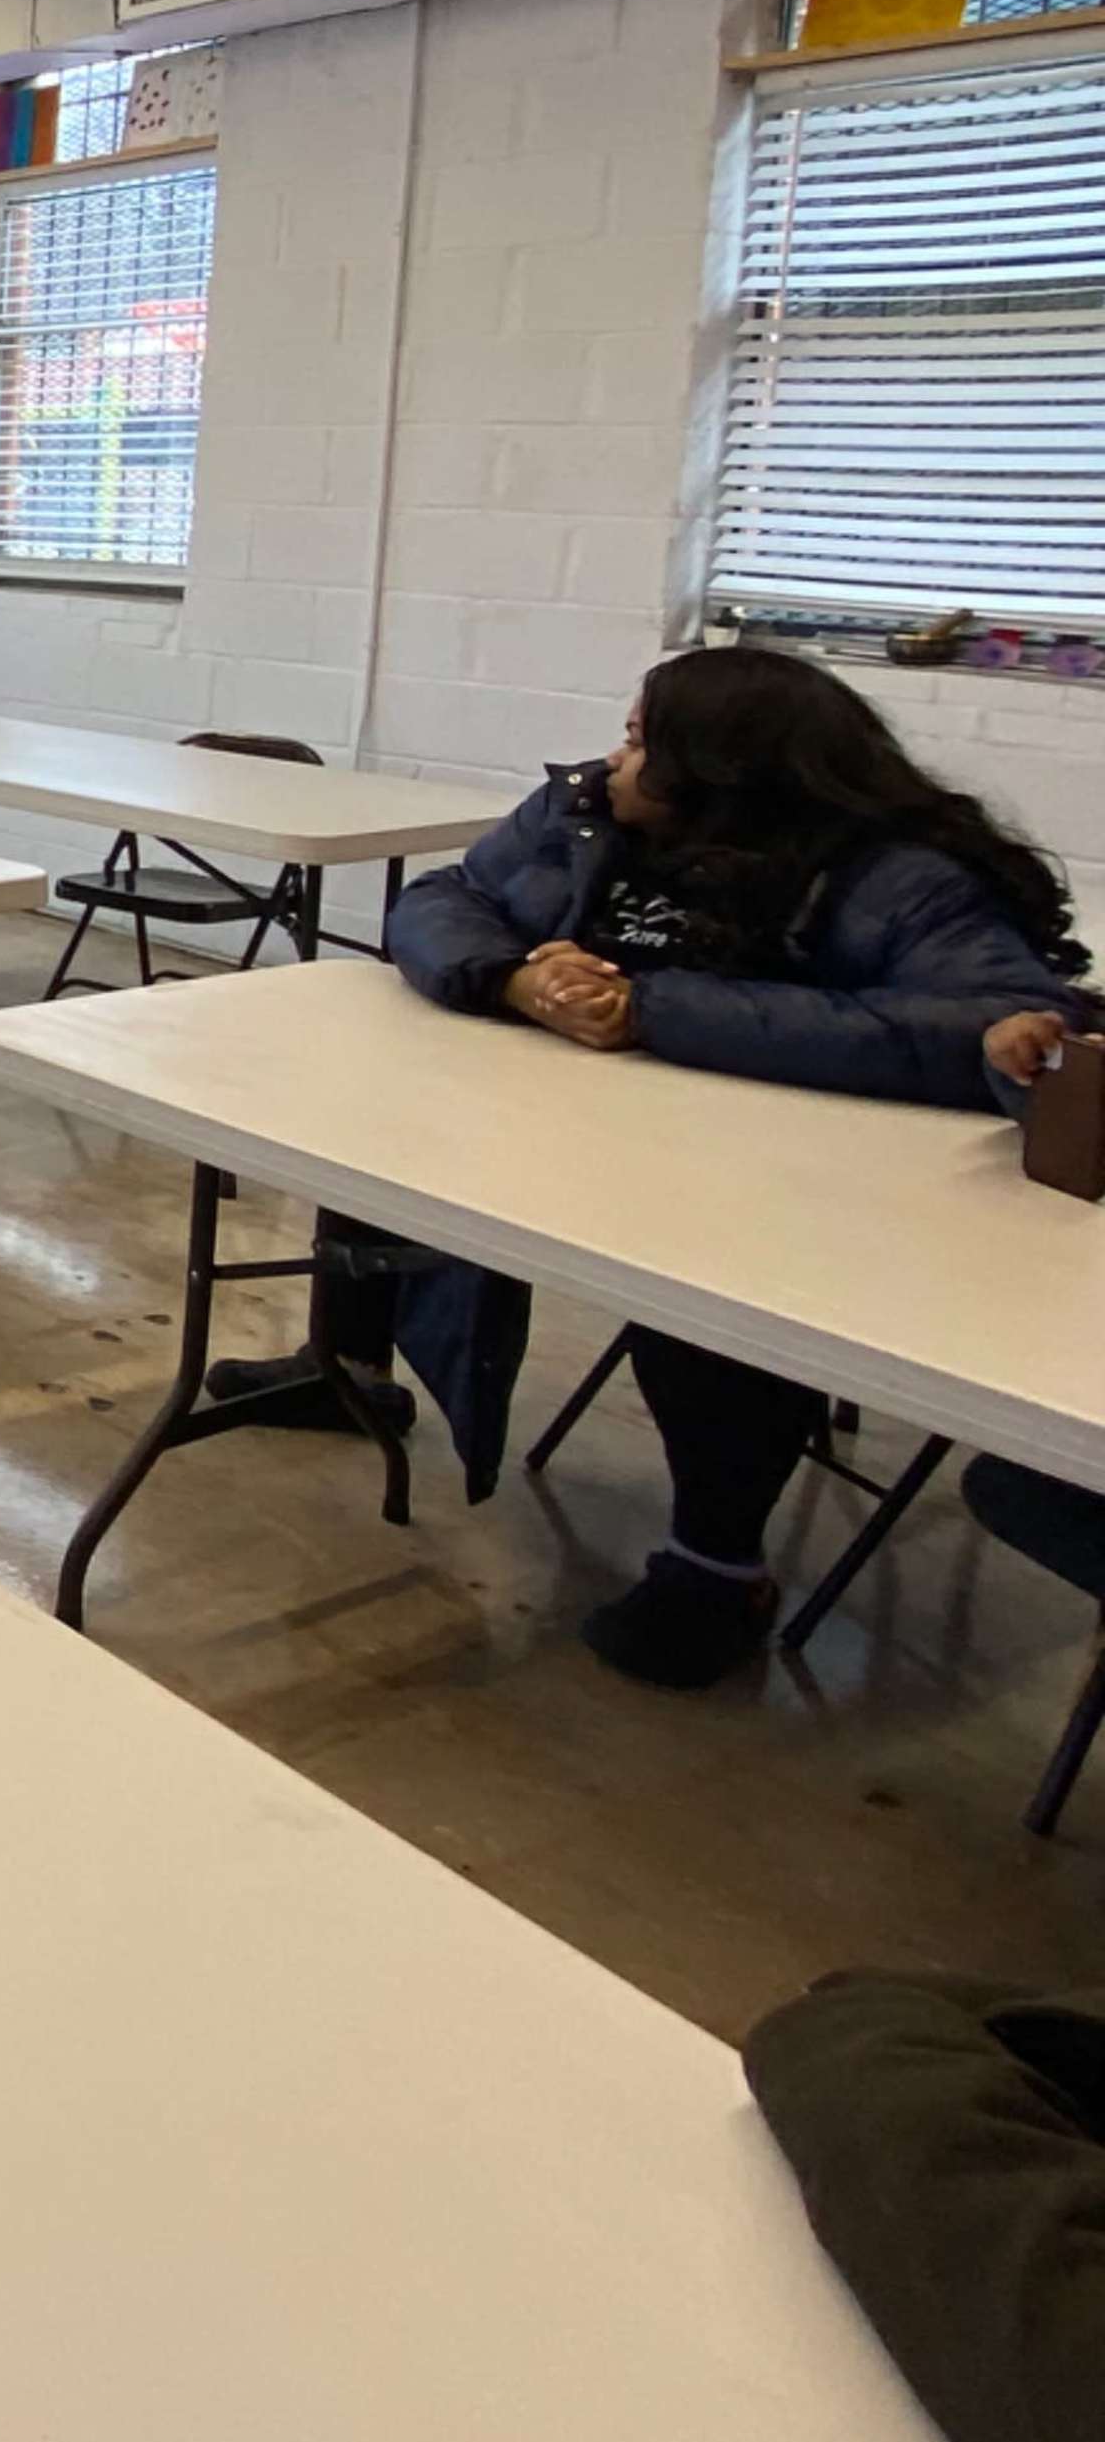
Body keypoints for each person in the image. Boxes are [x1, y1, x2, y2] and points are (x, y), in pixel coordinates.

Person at [386, 646, 1087, 1689]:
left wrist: (655, 1010)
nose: (612, 759)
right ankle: (345, 1374)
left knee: (705, 1296)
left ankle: (718, 1564)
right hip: (577, 1124)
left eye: (639, 740)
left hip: (786, 1182)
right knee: (390, 1136)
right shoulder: (586, 812)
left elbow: (986, 1021)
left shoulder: (894, 873)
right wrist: (517, 973)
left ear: (720, 773)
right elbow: (446, 895)